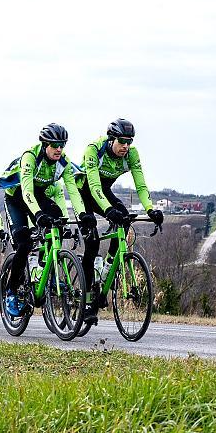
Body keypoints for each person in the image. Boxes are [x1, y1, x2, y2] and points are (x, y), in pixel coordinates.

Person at [0, 123, 96, 316]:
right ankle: (11, 291)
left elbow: (73, 192)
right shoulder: (30, 157)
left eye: (62, 145)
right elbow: (26, 191)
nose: (59, 149)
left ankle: (45, 270)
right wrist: (37, 215)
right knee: (24, 244)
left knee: (57, 220)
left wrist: (83, 214)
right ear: (45, 144)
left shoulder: (63, 162)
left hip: (39, 195)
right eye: (54, 145)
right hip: (17, 197)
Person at [75, 118, 163, 323]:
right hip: (85, 193)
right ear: (111, 139)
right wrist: (107, 210)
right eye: (122, 141)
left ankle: (106, 272)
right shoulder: (94, 150)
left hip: (103, 192)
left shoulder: (131, 154)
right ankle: (88, 300)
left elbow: (141, 185)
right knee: (93, 244)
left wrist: (150, 209)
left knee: (123, 220)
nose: (126, 146)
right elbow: (94, 186)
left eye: (129, 142)